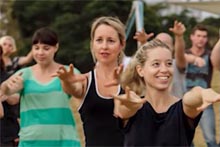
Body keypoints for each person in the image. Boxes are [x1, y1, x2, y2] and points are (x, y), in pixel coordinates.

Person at [113, 39, 220, 146]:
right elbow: (125, 110)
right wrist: (128, 105)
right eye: (156, 64)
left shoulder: (182, 110)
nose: (164, 69)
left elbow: (190, 99)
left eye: (169, 63)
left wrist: (201, 93)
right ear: (140, 70)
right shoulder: (134, 106)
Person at [0, 27, 81, 147]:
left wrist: (67, 82)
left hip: (64, 141)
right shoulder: (24, 74)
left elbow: (78, 92)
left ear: (56, 47)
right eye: (36, 48)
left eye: (46, 48)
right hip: (31, 142)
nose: (40, 53)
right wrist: (5, 87)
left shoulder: (68, 72)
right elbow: (10, 97)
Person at [53, 16, 125, 146]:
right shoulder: (85, 80)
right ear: (92, 44)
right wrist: (66, 81)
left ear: (121, 44)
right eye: (99, 40)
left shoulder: (131, 82)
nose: (104, 46)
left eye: (111, 41)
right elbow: (73, 89)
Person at [178, 24, 220, 147]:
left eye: (204, 36)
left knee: (210, 139)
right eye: (198, 36)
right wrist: (193, 59)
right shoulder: (184, 53)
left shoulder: (209, 54)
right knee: (186, 139)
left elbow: (216, 60)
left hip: (205, 102)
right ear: (192, 37)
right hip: (185, 101)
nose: (201, 39)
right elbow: (178, 57)